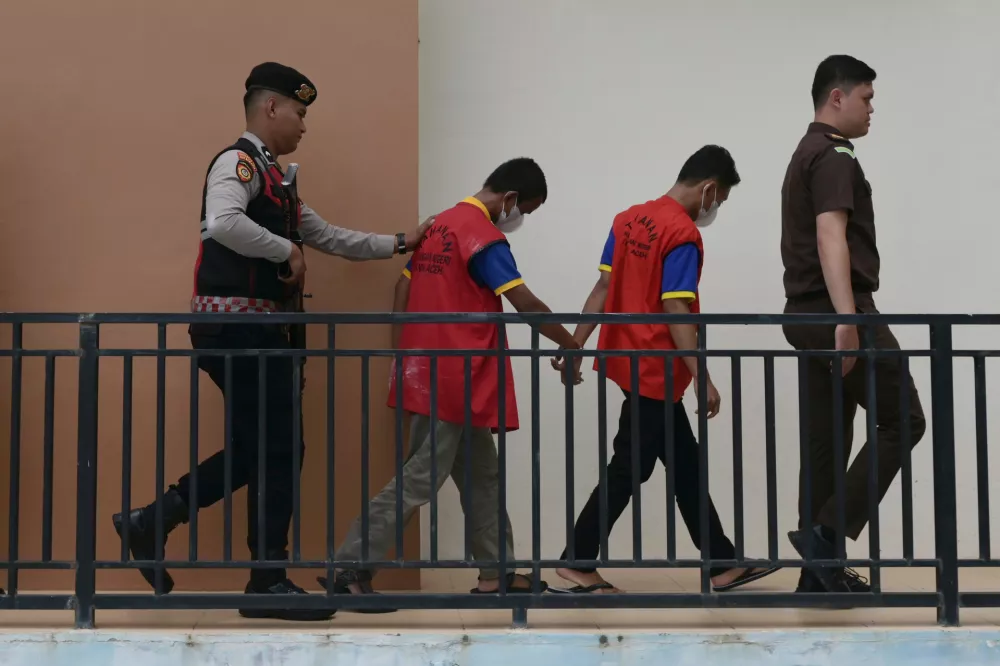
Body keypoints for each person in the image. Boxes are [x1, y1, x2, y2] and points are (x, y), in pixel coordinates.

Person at [112, 62, 431, 621]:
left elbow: (328, 235)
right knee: (281, 448)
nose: (305, 126)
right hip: (242, 332)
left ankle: (152, 521)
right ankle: (266, 582)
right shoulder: (237, 164)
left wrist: (403, 241)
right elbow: (222, 222)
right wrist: (287, 253)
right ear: (272, 108)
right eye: (300, 113)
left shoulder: (276, 182)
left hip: (255, 334)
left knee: (259, 448)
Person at [319, 158, 580, 606]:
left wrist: (408, 354)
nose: (521, 220)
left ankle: (495, 574)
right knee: (420, 477)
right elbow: (524, 302)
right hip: (457, 376)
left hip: (436, 372)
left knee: (483, 476)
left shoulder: (439, 227)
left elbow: (403, 288)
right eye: (526, 212)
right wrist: (571, 344)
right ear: (511, 199)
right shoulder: (484, 236)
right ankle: (348, 567)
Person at [551, 146, 778, 594]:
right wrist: (703, 377)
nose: (714, 210)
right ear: (710, 188)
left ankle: (721, 562)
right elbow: (676, 307)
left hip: (628, 361)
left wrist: (577, 344)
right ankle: (577, 560)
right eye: (720, 200)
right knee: (629, 468)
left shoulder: (628, 219)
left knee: (685, 465)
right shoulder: (682, 234)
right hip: (656, 368)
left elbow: (603, 286)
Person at [781, 55, 926, 597]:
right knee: (905, 420)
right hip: (840, 312)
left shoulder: (805, 151)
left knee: (826, 440)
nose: (871, 110)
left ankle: (817, 576)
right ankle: (827, 535)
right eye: (866, 98)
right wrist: (847, 318)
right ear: (836, 97)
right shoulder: (836, 154)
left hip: (802, 315)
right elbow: (830, 235)